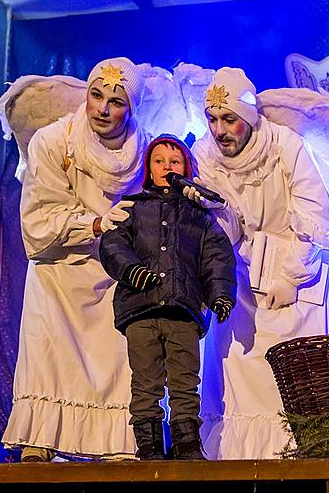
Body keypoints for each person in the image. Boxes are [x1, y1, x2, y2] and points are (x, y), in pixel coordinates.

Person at [1, 57, 150, 460]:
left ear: (131, 108)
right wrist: (97, 224)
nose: (103, 108)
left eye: (116, 102)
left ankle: (115, 440)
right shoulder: (52, 141)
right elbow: (38, 220)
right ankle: (41, 439)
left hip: (113, 275)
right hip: (59, 271)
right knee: (52, 354)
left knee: (115, 358)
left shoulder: (144, 149)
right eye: (96, 95)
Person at [191, 67, 329, 459]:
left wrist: (289, 273)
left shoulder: (284, 146)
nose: (220, 129)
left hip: (294, 277)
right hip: (240, 281)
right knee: (240, 380)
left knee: (294, 384)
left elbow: (315, 215)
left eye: (229, 119)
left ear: (248, 117)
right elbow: (216, 227)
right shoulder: (204, 157)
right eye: (212, 119)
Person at [98, 134, 236, 460]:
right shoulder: (133, 208)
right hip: (140, 309)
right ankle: (149, 445)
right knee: (146, 380)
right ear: (148, 167)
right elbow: (113, 244)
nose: (167, 167)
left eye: (174, 162)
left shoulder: (199, 217)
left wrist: (220, 295)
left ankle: (187, 443)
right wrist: (131, 270)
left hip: (183, 309)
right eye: (159, 161)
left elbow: (216, 257)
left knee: (185, 378)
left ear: (186, 168)